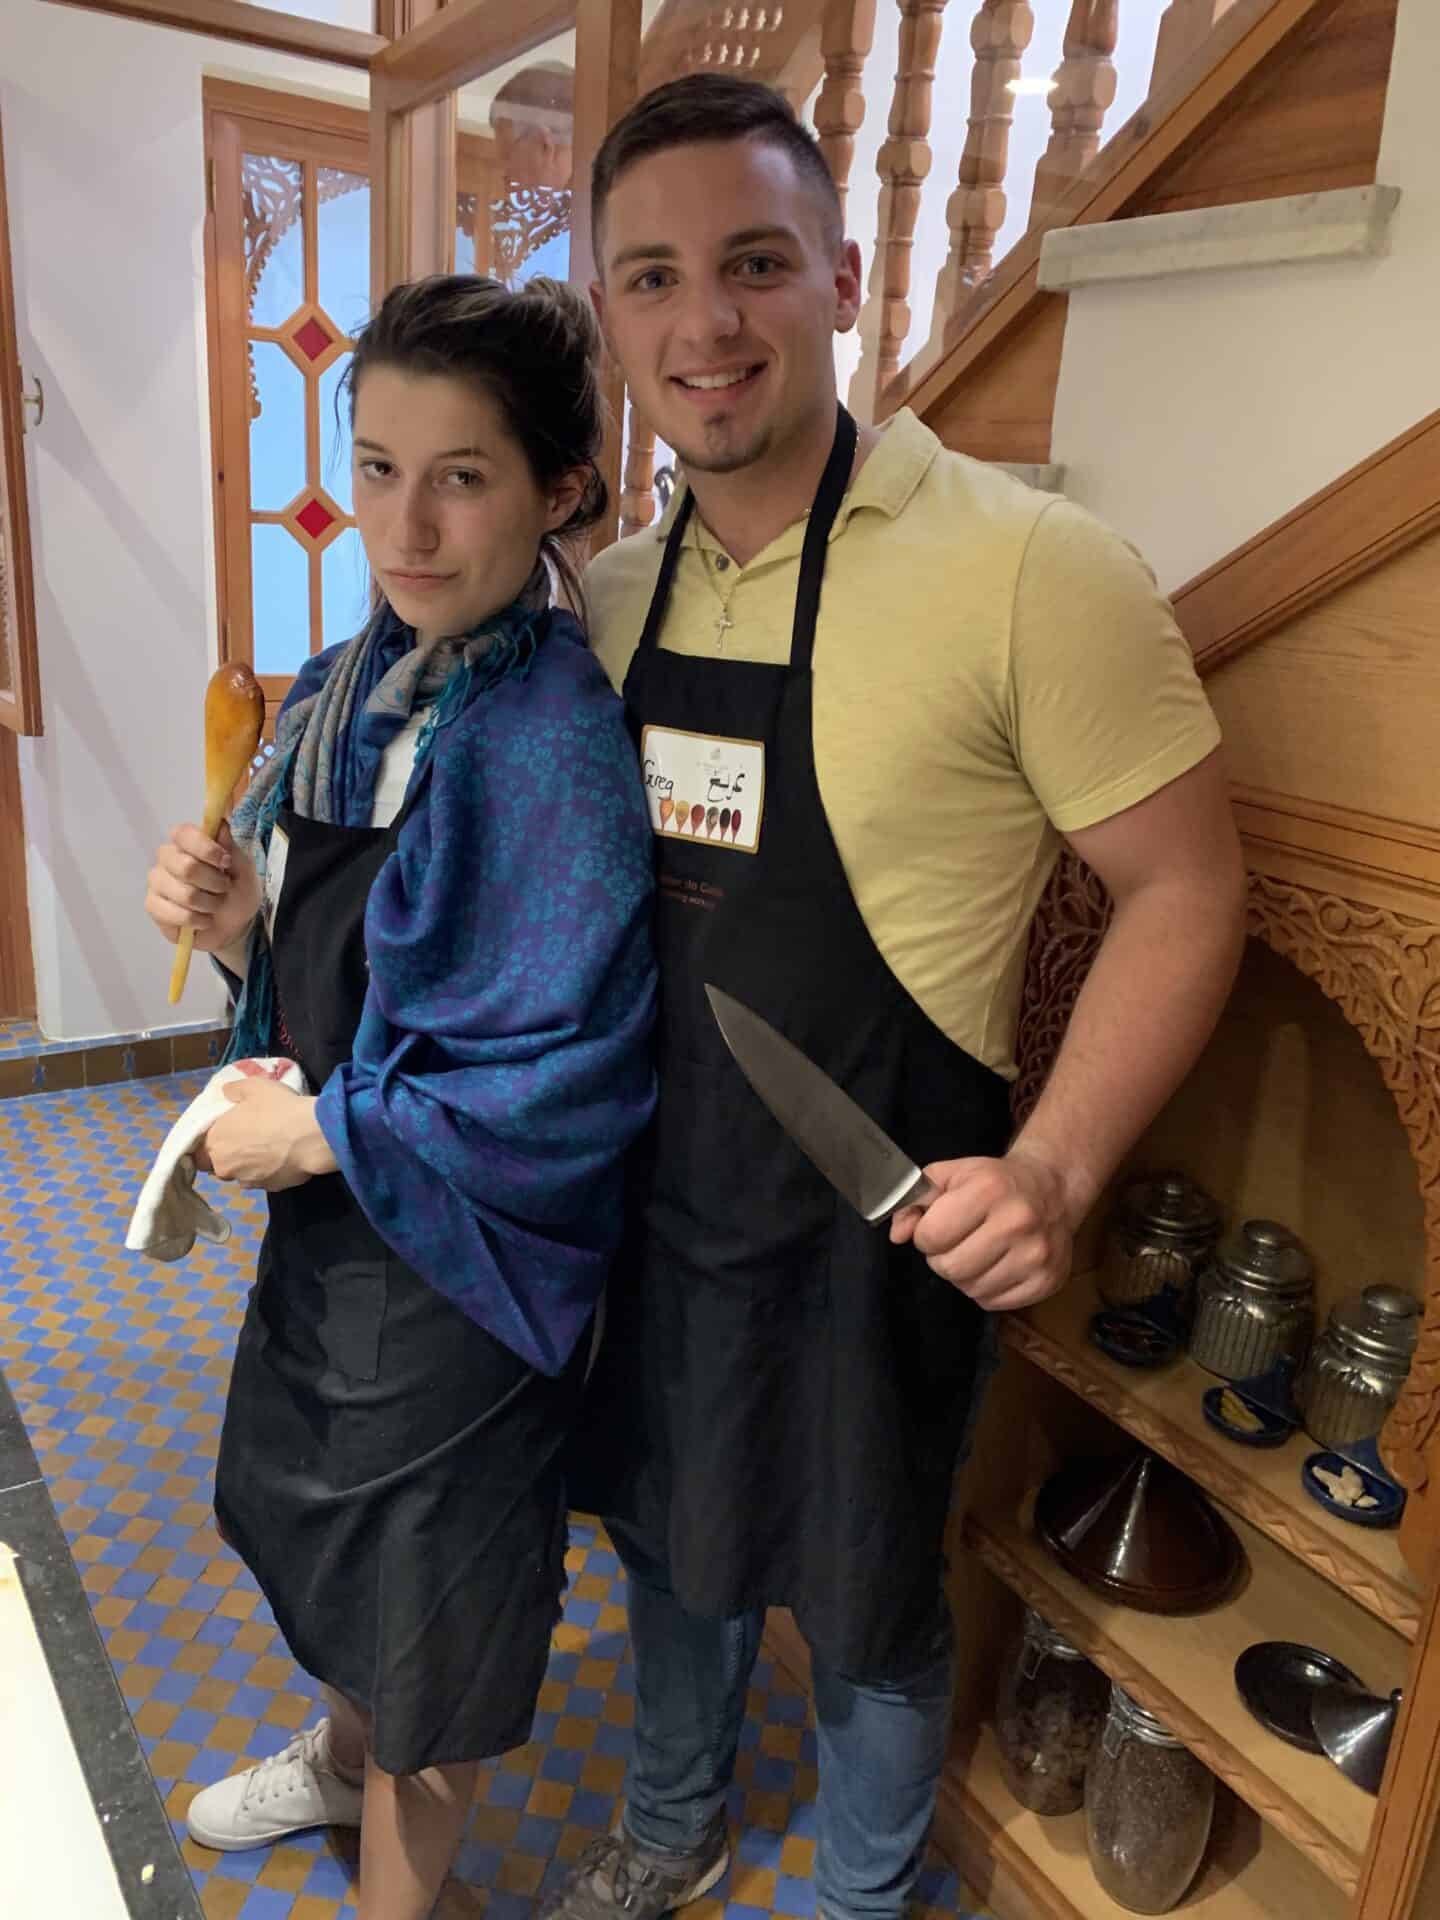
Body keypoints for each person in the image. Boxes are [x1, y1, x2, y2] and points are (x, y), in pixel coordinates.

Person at [553, 75, 1247, 1920]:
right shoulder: (611, 601)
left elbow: (1186, 892)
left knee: (868, 1595)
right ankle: (673, 1818)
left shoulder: (1031, 569)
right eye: (654, 280)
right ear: (610, 315)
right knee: (669, 1539)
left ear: (844, 276)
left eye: (756, 263)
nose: (707, 324)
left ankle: (862, 1895)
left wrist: (1059, 1175)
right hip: (655, 1196)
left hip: (888, 1220)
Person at [143, 274, 656, 1920]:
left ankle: (395, 1893)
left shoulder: (551, 738)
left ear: (558, 489)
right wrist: (241, 933)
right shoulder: (350, 684)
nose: (407, 526)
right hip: (340, 1225)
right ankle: (342, 1760)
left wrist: (326, 1130)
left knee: (436, 1597)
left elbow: (570, 1074)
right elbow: (341, 970)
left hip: (467, 1257)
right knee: (326, 1534)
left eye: (463, 476)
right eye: (376, 468)